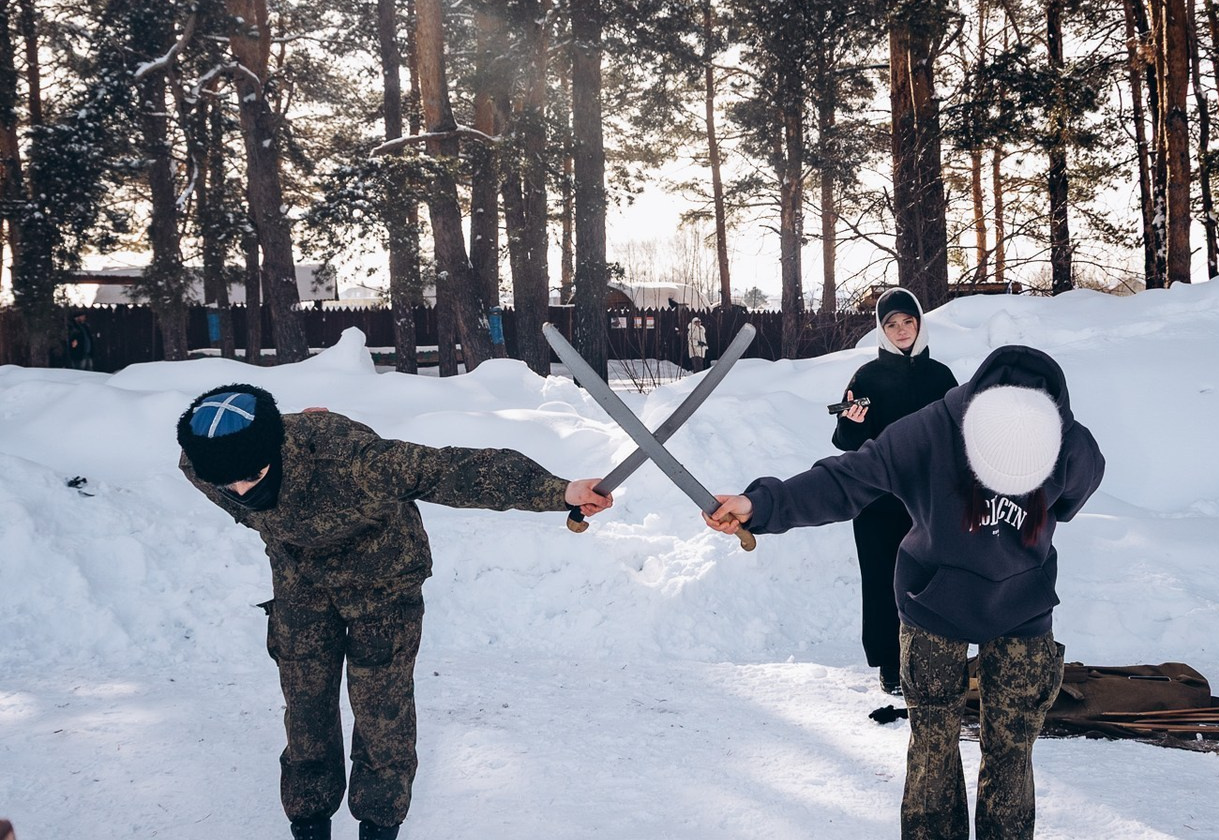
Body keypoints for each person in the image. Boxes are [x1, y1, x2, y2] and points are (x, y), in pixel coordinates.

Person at [177, 383, 612, 840]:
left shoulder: (355, 461)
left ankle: (379, 825)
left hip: (382, 585)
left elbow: (454, 471)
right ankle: (308, 821)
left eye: (253, 475)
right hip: (301, 586)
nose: (242, 490)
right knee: (305, 714)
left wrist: (559, 490)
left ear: (276, 451)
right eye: (230, 484)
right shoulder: (201, 463)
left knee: (382, 716)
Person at [706, 345, 1105, 840]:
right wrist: (760, 504)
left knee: (1013, 747)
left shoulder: (1074, 447)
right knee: (933, 746)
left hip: (1023, 604)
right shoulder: (935, 428)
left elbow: (1069, 502)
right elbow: (848, 478)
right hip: (933, 598)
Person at [834, 287, 956, 693]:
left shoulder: (941, 376)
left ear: (920, 324)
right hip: (880, 502)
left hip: (927, 501)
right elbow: (849, 443)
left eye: (908, 321)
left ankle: (933, 659)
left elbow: (957, 435)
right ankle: (890, 664)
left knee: (930, 581)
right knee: (884, 580)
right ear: (881, 330)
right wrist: (852, 421)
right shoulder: (866, 377)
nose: (901, 330)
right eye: (892, 324)